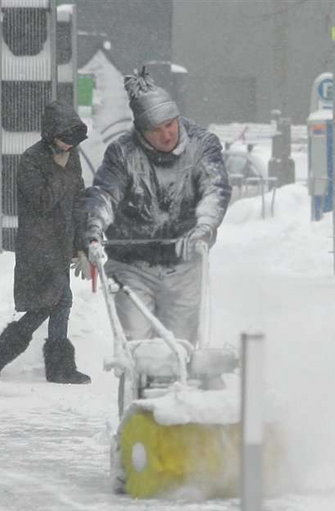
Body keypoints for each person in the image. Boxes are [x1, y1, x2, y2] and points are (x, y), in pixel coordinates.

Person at [80, 68, 231, 345]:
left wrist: (204, 227)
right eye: (156, 130)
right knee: (138, 342)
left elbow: (214, 189)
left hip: (184, 263)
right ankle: (138, 381)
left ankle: (178, 385)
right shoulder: (123, 153)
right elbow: (104, 193)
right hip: (130, 264)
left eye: (170, 125)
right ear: (141, 131)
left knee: (182, 345)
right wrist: (93, 231)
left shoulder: (202, 145)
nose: (166, 135)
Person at [0, 100, 91, 384]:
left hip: (62, 242)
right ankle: (3, 354)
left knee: (58, 302)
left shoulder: (71, 157)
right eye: (64, 139)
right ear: (50, 134)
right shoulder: (32, 159)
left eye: (72, 141)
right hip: (38, 245)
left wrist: (82, 245)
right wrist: (60, 171)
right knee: (50, 302)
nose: (68, 146)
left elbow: (78, 201)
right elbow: (41, 201)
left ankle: (54, 367)